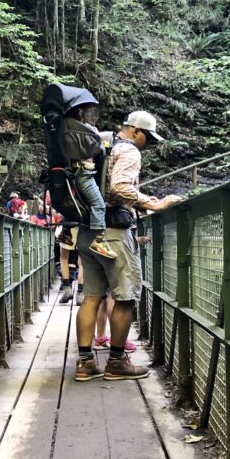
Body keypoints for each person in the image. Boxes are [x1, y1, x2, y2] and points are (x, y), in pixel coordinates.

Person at [74, 111, 181, 381]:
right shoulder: (129, 151)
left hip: (89, 231)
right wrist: (153, 203)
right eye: (148, 138)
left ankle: (85, 363)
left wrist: (140, 201)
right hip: (113, 233)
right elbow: (120, 187)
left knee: (92, 297)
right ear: (136, 131)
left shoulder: (103, 147)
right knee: (125, 297)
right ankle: (116, 362)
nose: (149, 144)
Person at [61, 103, 116, 261]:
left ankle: (64, 231)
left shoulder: (65, 128)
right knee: (98, 204)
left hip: (71, 172)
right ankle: (99, 240)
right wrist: (97, 134)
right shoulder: (83, 129)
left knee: (78, 202)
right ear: (80, 112)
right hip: (84, 172)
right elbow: (98, 148)